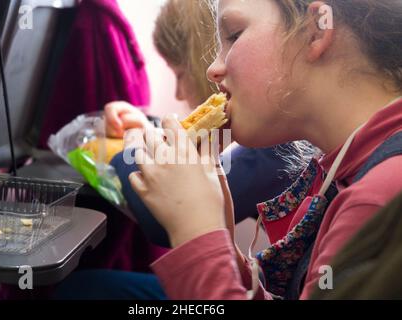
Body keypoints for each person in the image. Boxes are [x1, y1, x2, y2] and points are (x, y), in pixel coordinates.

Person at [128, 0, 402, 300]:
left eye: (233, 34)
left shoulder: (378, 198)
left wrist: (196, 231)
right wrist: (215, 231)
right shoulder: (344, 168)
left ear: (315, 31)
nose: (213, 69)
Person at [105, 0, 296, 247]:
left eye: (180, 74)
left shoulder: (278, 147)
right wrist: (148, 129)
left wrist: (128, 151)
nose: (178, 95)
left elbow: (161, 219)